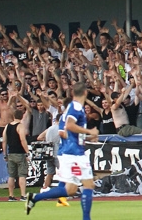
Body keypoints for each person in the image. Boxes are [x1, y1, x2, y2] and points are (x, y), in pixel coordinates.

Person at [27, 82, 99, 220]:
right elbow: (69, 126)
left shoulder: (72, 108)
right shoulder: (76, 107)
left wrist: (87, 137)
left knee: (70, 190)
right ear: (85, 93)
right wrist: (89, 131)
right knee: (88, 184)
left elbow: (71, 131)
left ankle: (36, 197)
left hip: (72, 151)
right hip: (74, 153)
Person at [36, 113, 70, 207]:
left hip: (49, 153)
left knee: (49, 173)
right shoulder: (61, 128)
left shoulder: (50, 128)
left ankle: (44, 189)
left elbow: (39, 137)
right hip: (59, 154)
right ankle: (62, 195)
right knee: (63, 175)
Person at [3, 109, 29, 201]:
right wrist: (27, 152)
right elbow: (22, 139)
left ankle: (11, 195)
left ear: (14, 116)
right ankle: (23, 195)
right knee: (22, 175)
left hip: (11, 153)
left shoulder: (7, 126)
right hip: (20, 153)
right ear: (22, 116)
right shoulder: (20, 126)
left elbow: (4, 141)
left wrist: (5, 154)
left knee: (11, 175)